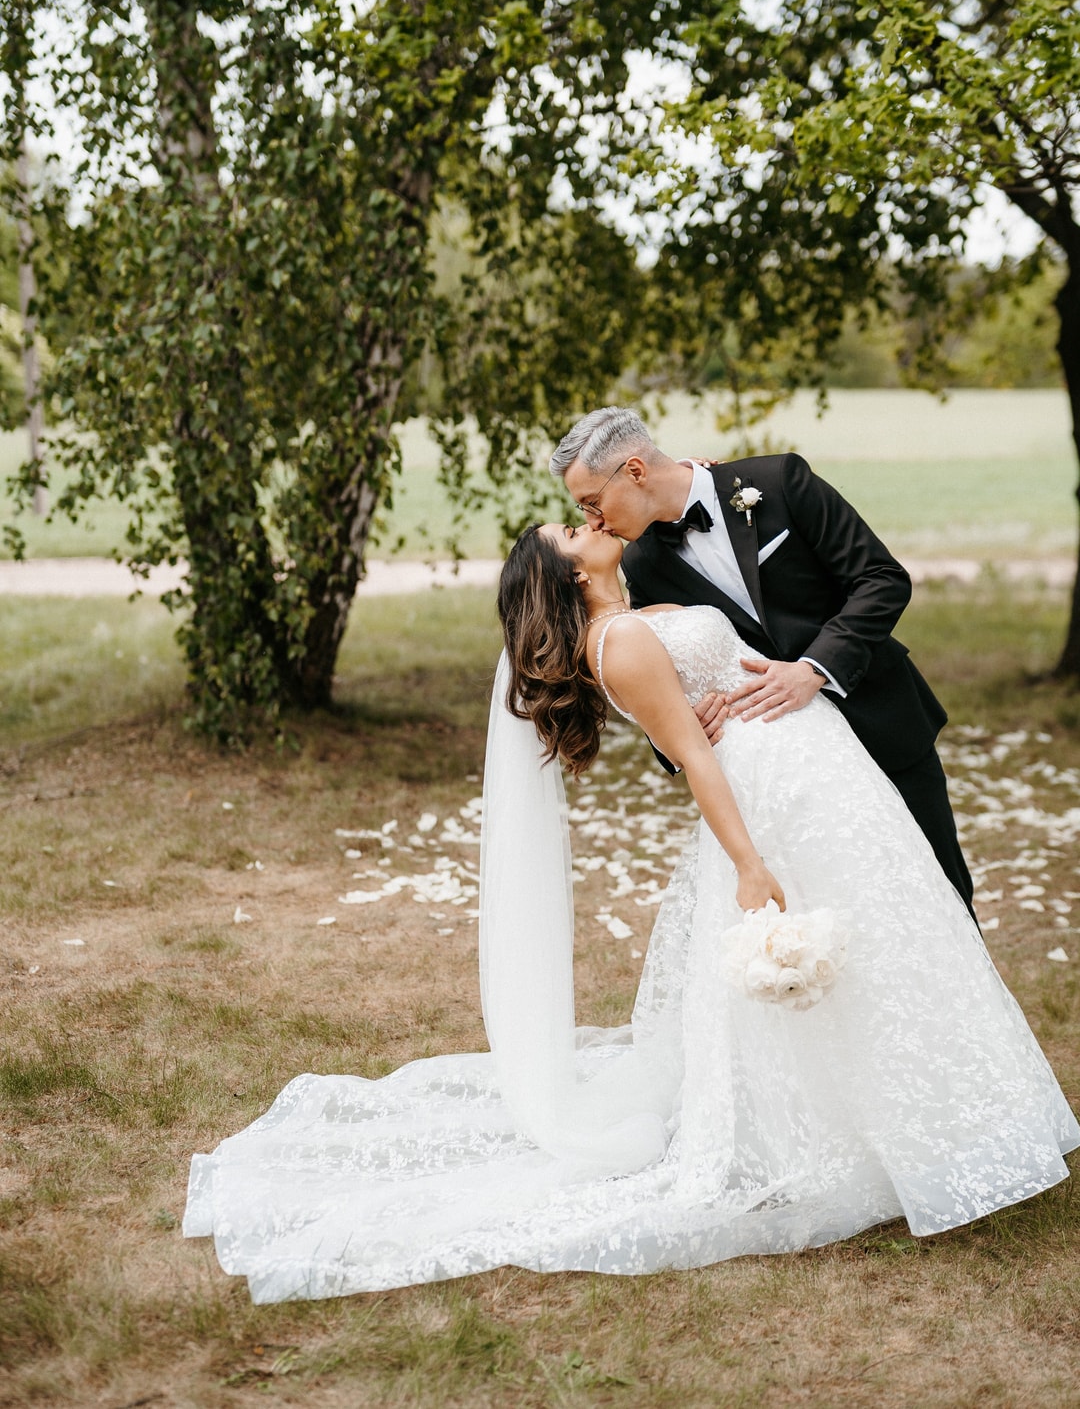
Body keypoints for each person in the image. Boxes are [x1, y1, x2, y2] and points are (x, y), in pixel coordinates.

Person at [183, 519, 1078, 1303]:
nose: (585, 525)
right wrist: (748, 862)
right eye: (568, 533)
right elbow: (694, 757)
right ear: (570, 573)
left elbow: (719, 678)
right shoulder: (620, 644)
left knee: (893, 936)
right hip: (770, 797)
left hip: (816, 769)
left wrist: (783, 672)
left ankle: (933, 1116)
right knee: (846, 947)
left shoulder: (641, 611)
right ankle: (868, 1135)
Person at [550, 406, 975, 913]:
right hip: (786, 770)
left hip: (876, 719)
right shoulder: (642, 563)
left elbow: (881, 578)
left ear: (636, 471)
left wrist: (815, 668)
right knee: (839, 907)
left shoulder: (777, 482)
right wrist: (685, 732)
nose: (593, 520)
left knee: (939, 891)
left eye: (592, 502)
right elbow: (656, 669)